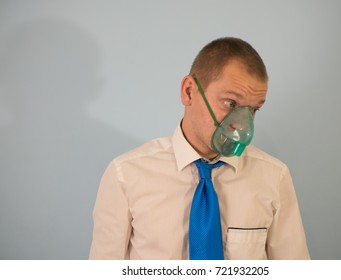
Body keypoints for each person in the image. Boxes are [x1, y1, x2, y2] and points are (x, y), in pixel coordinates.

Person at [89, 37, 310, 260]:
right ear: (188, 92)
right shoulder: (125, 176)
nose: (241, 125)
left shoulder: (273, 177)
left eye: (253, 110)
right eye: (230, 103)